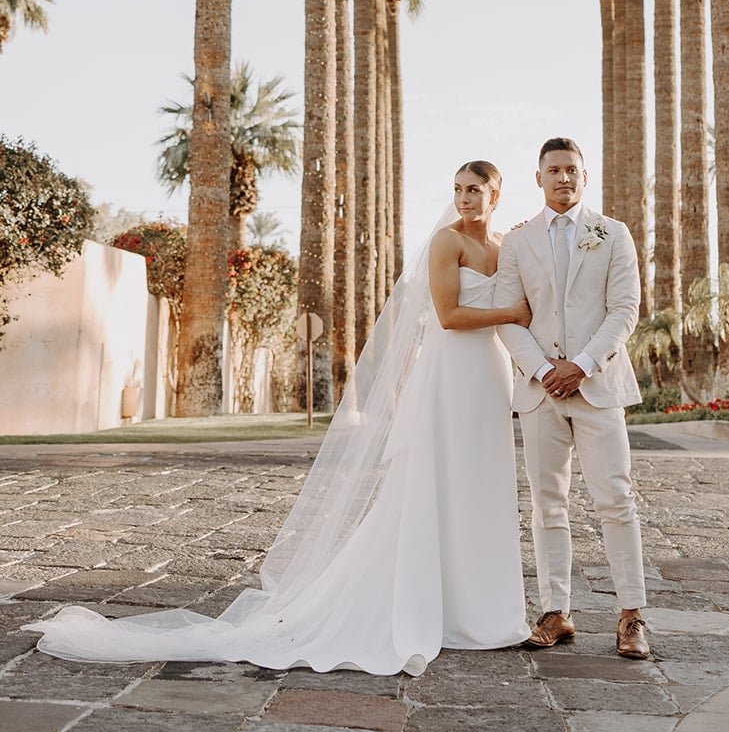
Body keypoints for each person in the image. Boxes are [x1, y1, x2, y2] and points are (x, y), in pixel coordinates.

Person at [24, 162, 530, 676]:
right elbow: (448, 316)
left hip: (490, 373)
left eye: (475, 191)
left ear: (496, 194)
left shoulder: (505, 247)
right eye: (459, 189)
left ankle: (481, 612)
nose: (465, 199)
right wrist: (511, 314)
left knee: (482, 486)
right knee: (439, 484)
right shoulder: (448, 243)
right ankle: (433, 609)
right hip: (450, 374)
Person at [495, 137, 650, 660]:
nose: (563, 178)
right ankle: (555, 612)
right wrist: (542, 369)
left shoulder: (613, 234)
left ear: (586, 177)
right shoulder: (517, 242)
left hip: (598, 388)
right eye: (553, 170)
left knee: (616, 500)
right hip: (540, 393)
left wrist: (581, 365)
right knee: (547, 505)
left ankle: (631, 616)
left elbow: (624, 310)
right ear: (538, 178)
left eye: (572, 170)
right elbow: (508, 316)